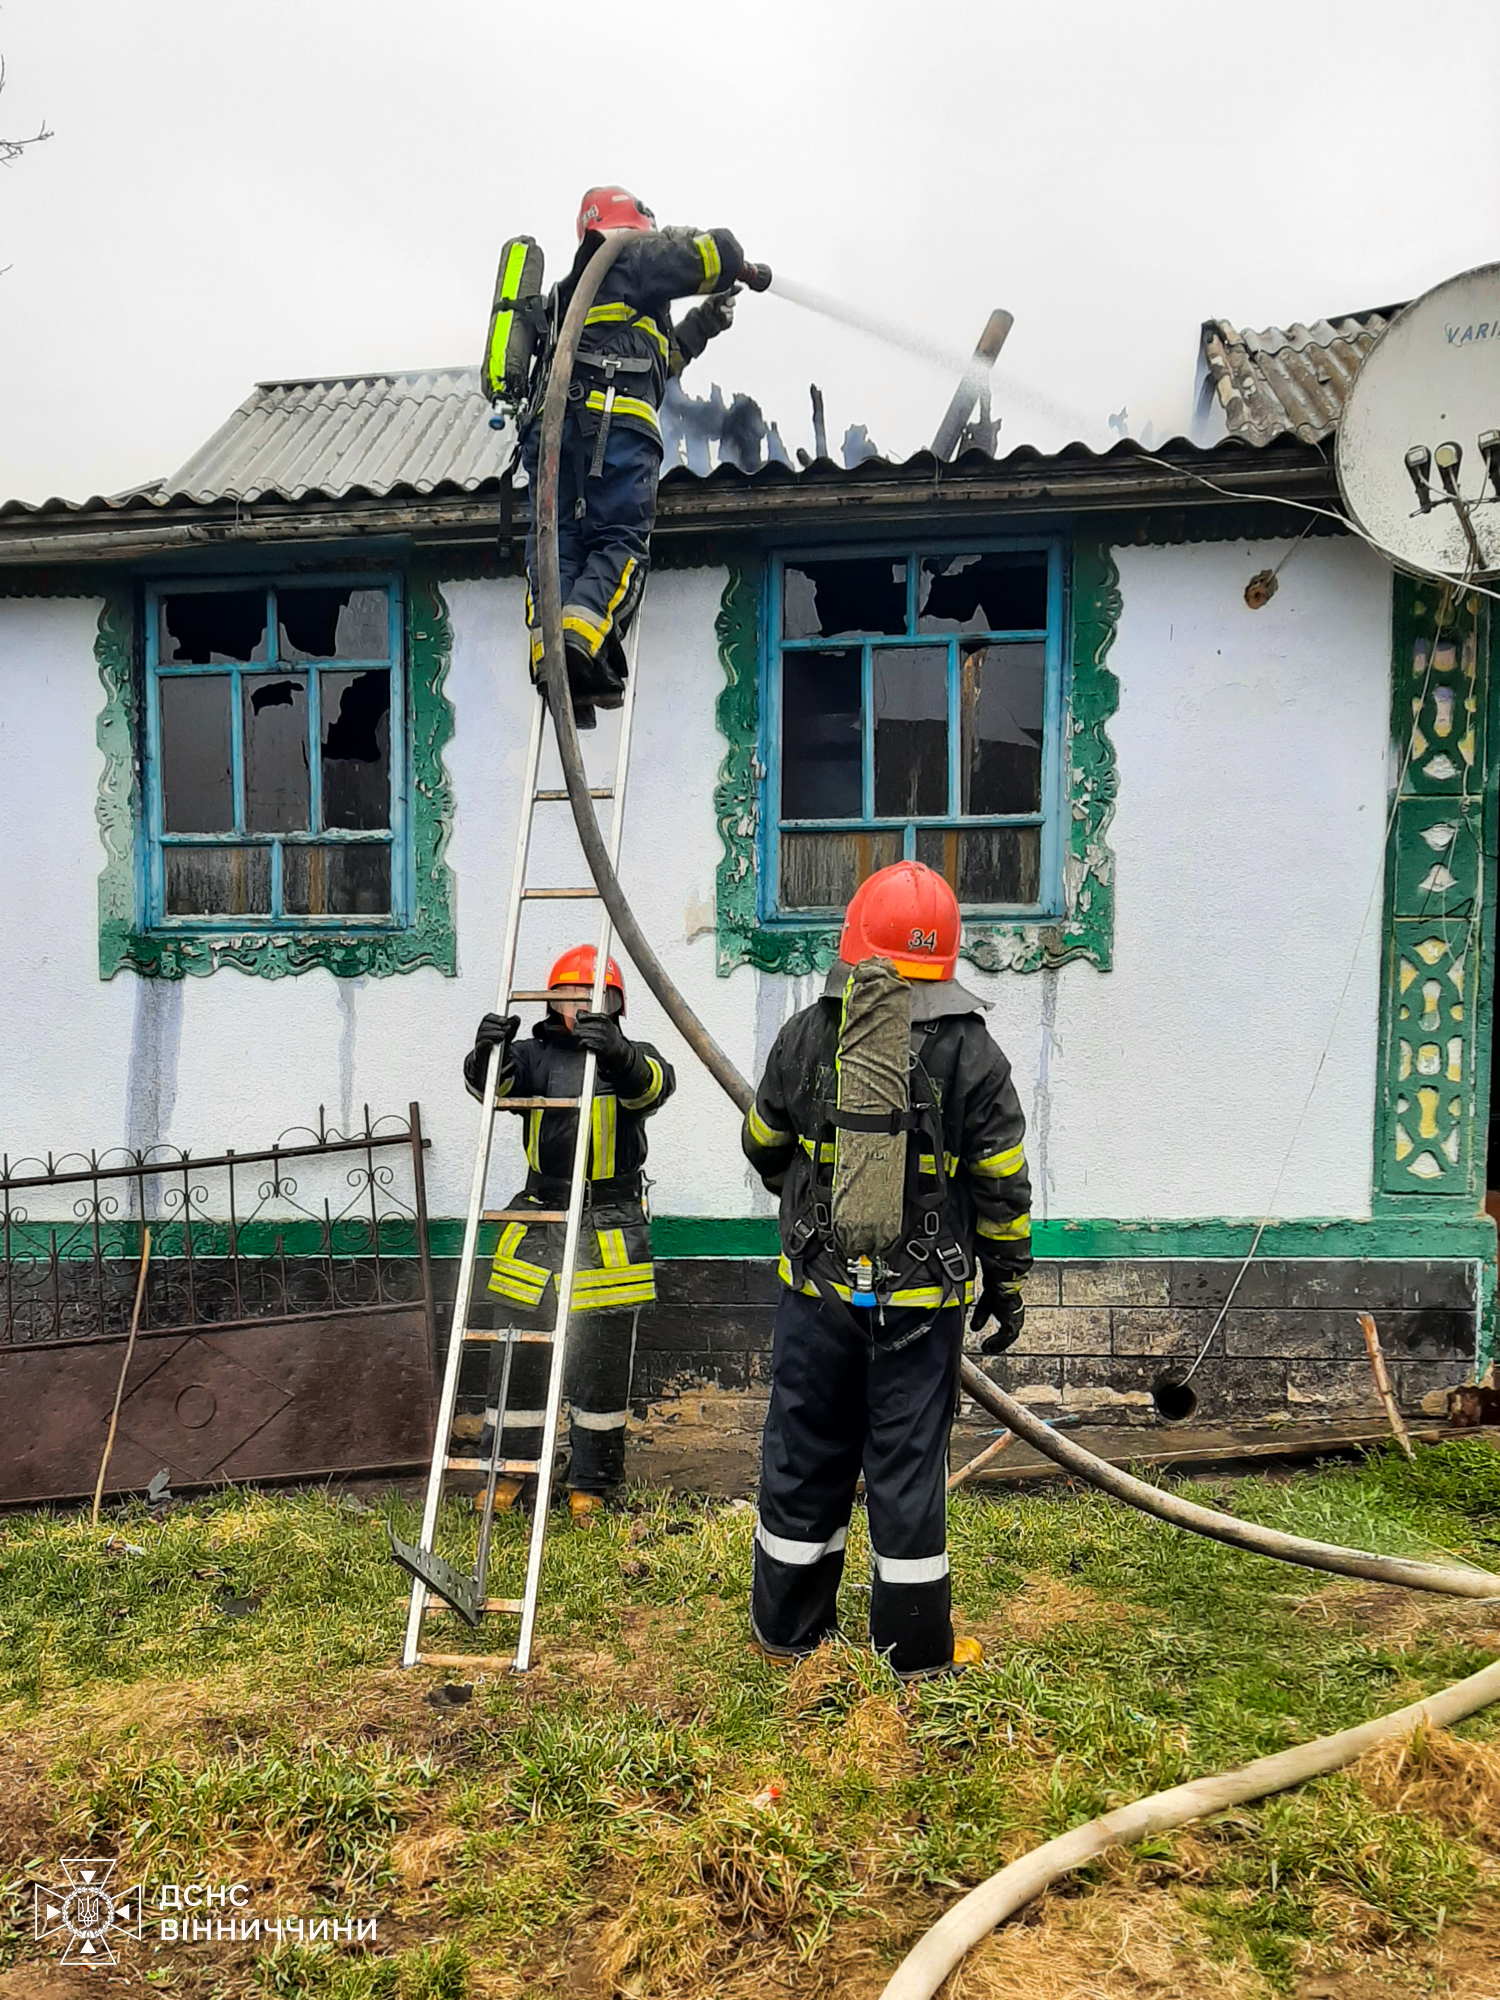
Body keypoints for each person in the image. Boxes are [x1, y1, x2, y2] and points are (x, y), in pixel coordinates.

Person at [740, 861, 1033, 1678]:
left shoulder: (806, 1034)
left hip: (816, 1298)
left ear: (854, 941)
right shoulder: (975, 1052)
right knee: (905, 1473)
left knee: (804, 1455)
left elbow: (763, 1148)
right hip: (920, 1301)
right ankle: (911, 1654)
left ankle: (788, 1636)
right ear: (945, 958)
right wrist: (1005, 1279)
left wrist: (812, 1190)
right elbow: (1001, 1182)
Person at [516, 185, 768, 727]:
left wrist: (704, 323)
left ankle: (557, 660)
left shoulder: (568, 295)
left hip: (553, 437)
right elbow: (713, 252)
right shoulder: (631, 256)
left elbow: (654, 361)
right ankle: (583, 644)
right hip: (615, 430)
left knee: (560, 546)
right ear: (633, 225)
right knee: (620, 538)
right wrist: (737, 265)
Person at [464, 946, 674, 1518]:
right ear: (550, 999)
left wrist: (621, 1057)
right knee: (519, 1355)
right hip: (537, 1219)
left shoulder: (632, 1057)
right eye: (569, 994)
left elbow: (653, 1087)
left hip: (610, 1226)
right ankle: (509, 1473)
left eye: (593, 997)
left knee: (601, 1362)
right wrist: (486, 1052)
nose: (579, 1005)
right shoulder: (530, 1056)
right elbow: (491, 1092)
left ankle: (593, 1482)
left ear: (614, 1004)